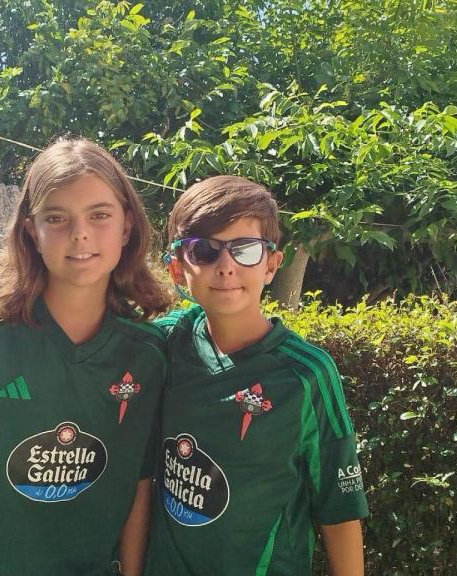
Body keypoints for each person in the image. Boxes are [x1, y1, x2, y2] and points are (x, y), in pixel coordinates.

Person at [0, 138, 171, 576]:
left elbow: (139, 478)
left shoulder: (147, 349)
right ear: (31, 230)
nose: (80, 233)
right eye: (57, 218)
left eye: (99, 215)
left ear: (126, 226)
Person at [145, 176, 369, 576]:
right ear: (178, 269)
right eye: (205, 250)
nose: (227, 266)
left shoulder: (307, 374)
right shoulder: (165, 343)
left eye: (245, 249)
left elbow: (339, 510)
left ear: (271, 265)